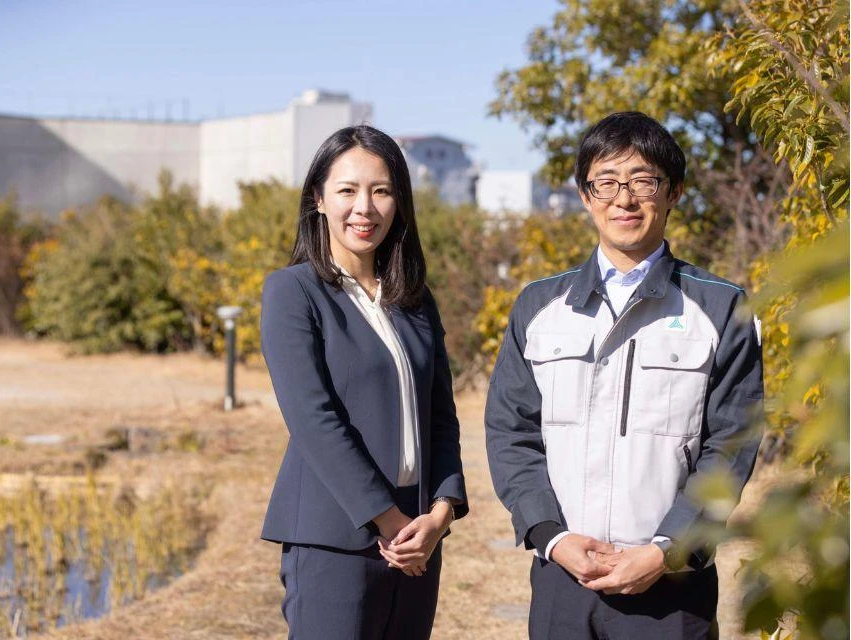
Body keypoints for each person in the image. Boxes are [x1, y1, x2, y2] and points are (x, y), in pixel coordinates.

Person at [485, 111, 763, 639]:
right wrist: (551, 535)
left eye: (642, 181)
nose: (624, 199)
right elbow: (511, 432)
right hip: (563, 578)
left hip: (673, 588)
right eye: (606, 182)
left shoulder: (721, 307)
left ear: (673, 191)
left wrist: (665, 549)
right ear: (585, 195)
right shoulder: (540, 306)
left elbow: (731, 442)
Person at [260, 124, 468, 639]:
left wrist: (439, 514)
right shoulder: (294, 292)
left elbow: (440, 416)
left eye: (381, 190)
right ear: (319, 200)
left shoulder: (415, 299)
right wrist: (390, 522)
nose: (365, 208)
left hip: (417, 541)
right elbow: (313, 420)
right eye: (348, 190)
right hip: (337, 540)